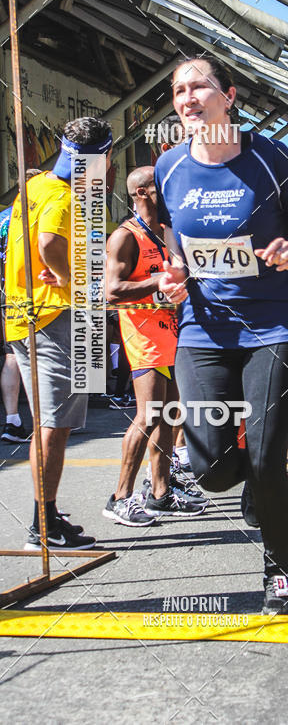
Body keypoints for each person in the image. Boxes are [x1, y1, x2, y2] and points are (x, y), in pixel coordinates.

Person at [154, 54, 288, 614]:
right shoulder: (169, 167)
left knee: (268, 456)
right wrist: (173, 274)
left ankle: (278, 577)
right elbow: (175, 239)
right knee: (209, 470)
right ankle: (249, 478)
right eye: (179, 90)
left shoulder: (274, 158)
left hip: (274, 328)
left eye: (198, 86)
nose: (187, 98)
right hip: (203, 330)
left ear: (228, 95)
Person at [5, 118, 113, 549]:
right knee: (56, 425)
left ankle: (45, 513)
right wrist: (75, 284)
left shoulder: (31, 188)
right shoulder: (64, 197)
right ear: (101, 157)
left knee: (50, 423)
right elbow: (49, 242)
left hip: (24, 314)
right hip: (55, 318)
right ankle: (43, 526)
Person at [103, 166, 207, 526]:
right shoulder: (124, 237)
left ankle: (160, 492)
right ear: (142, 193)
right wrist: (158, 281)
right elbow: (112, 292)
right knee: (147, 416)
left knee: (170, 413)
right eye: (164, 188)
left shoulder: (167, 231)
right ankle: (119, 498)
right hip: (143, 337)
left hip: (173, 333)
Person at [0, 169, 41, 443]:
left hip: (6, 295)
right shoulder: (37, 214)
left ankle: (12, 419)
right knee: (43, 356)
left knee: (13, 354)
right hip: (38, 294)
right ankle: (47, 421)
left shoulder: (4, 218)